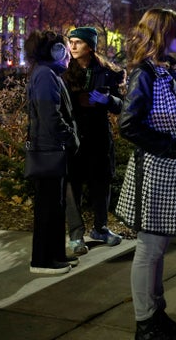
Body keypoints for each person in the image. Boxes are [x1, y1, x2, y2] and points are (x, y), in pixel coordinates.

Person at [116, 8, 176, 339]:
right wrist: (167, 146)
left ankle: (156, 316)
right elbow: (128, 124)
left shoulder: (163, 71)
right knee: (150, 249)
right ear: (160, 36)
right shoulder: (146, 74)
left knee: (156, 249)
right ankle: (146, 324)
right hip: (156, 174)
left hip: (170, 172)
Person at [62, 26, 125, 256]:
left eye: (78, 42)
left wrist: (108, 100)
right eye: (71, 42)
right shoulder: (65, 72)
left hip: (99, 136)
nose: (73, 46)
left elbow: (121, 105)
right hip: (75, 137)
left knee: (101, 183)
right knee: (73, 186)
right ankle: (76, 235)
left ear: (90, 46)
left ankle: (101, 228)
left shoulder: (106, 72)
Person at [24, 31, 80, 275]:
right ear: (57, 52)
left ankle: (55, 254)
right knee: (48, 208)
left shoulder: (48, 74)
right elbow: (50, 116)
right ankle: (42, 260)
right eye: (66, 49)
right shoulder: (46, 76)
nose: (69, 54)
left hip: (51, 149)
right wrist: (70, 137)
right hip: (49, 150)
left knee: (54, 206)